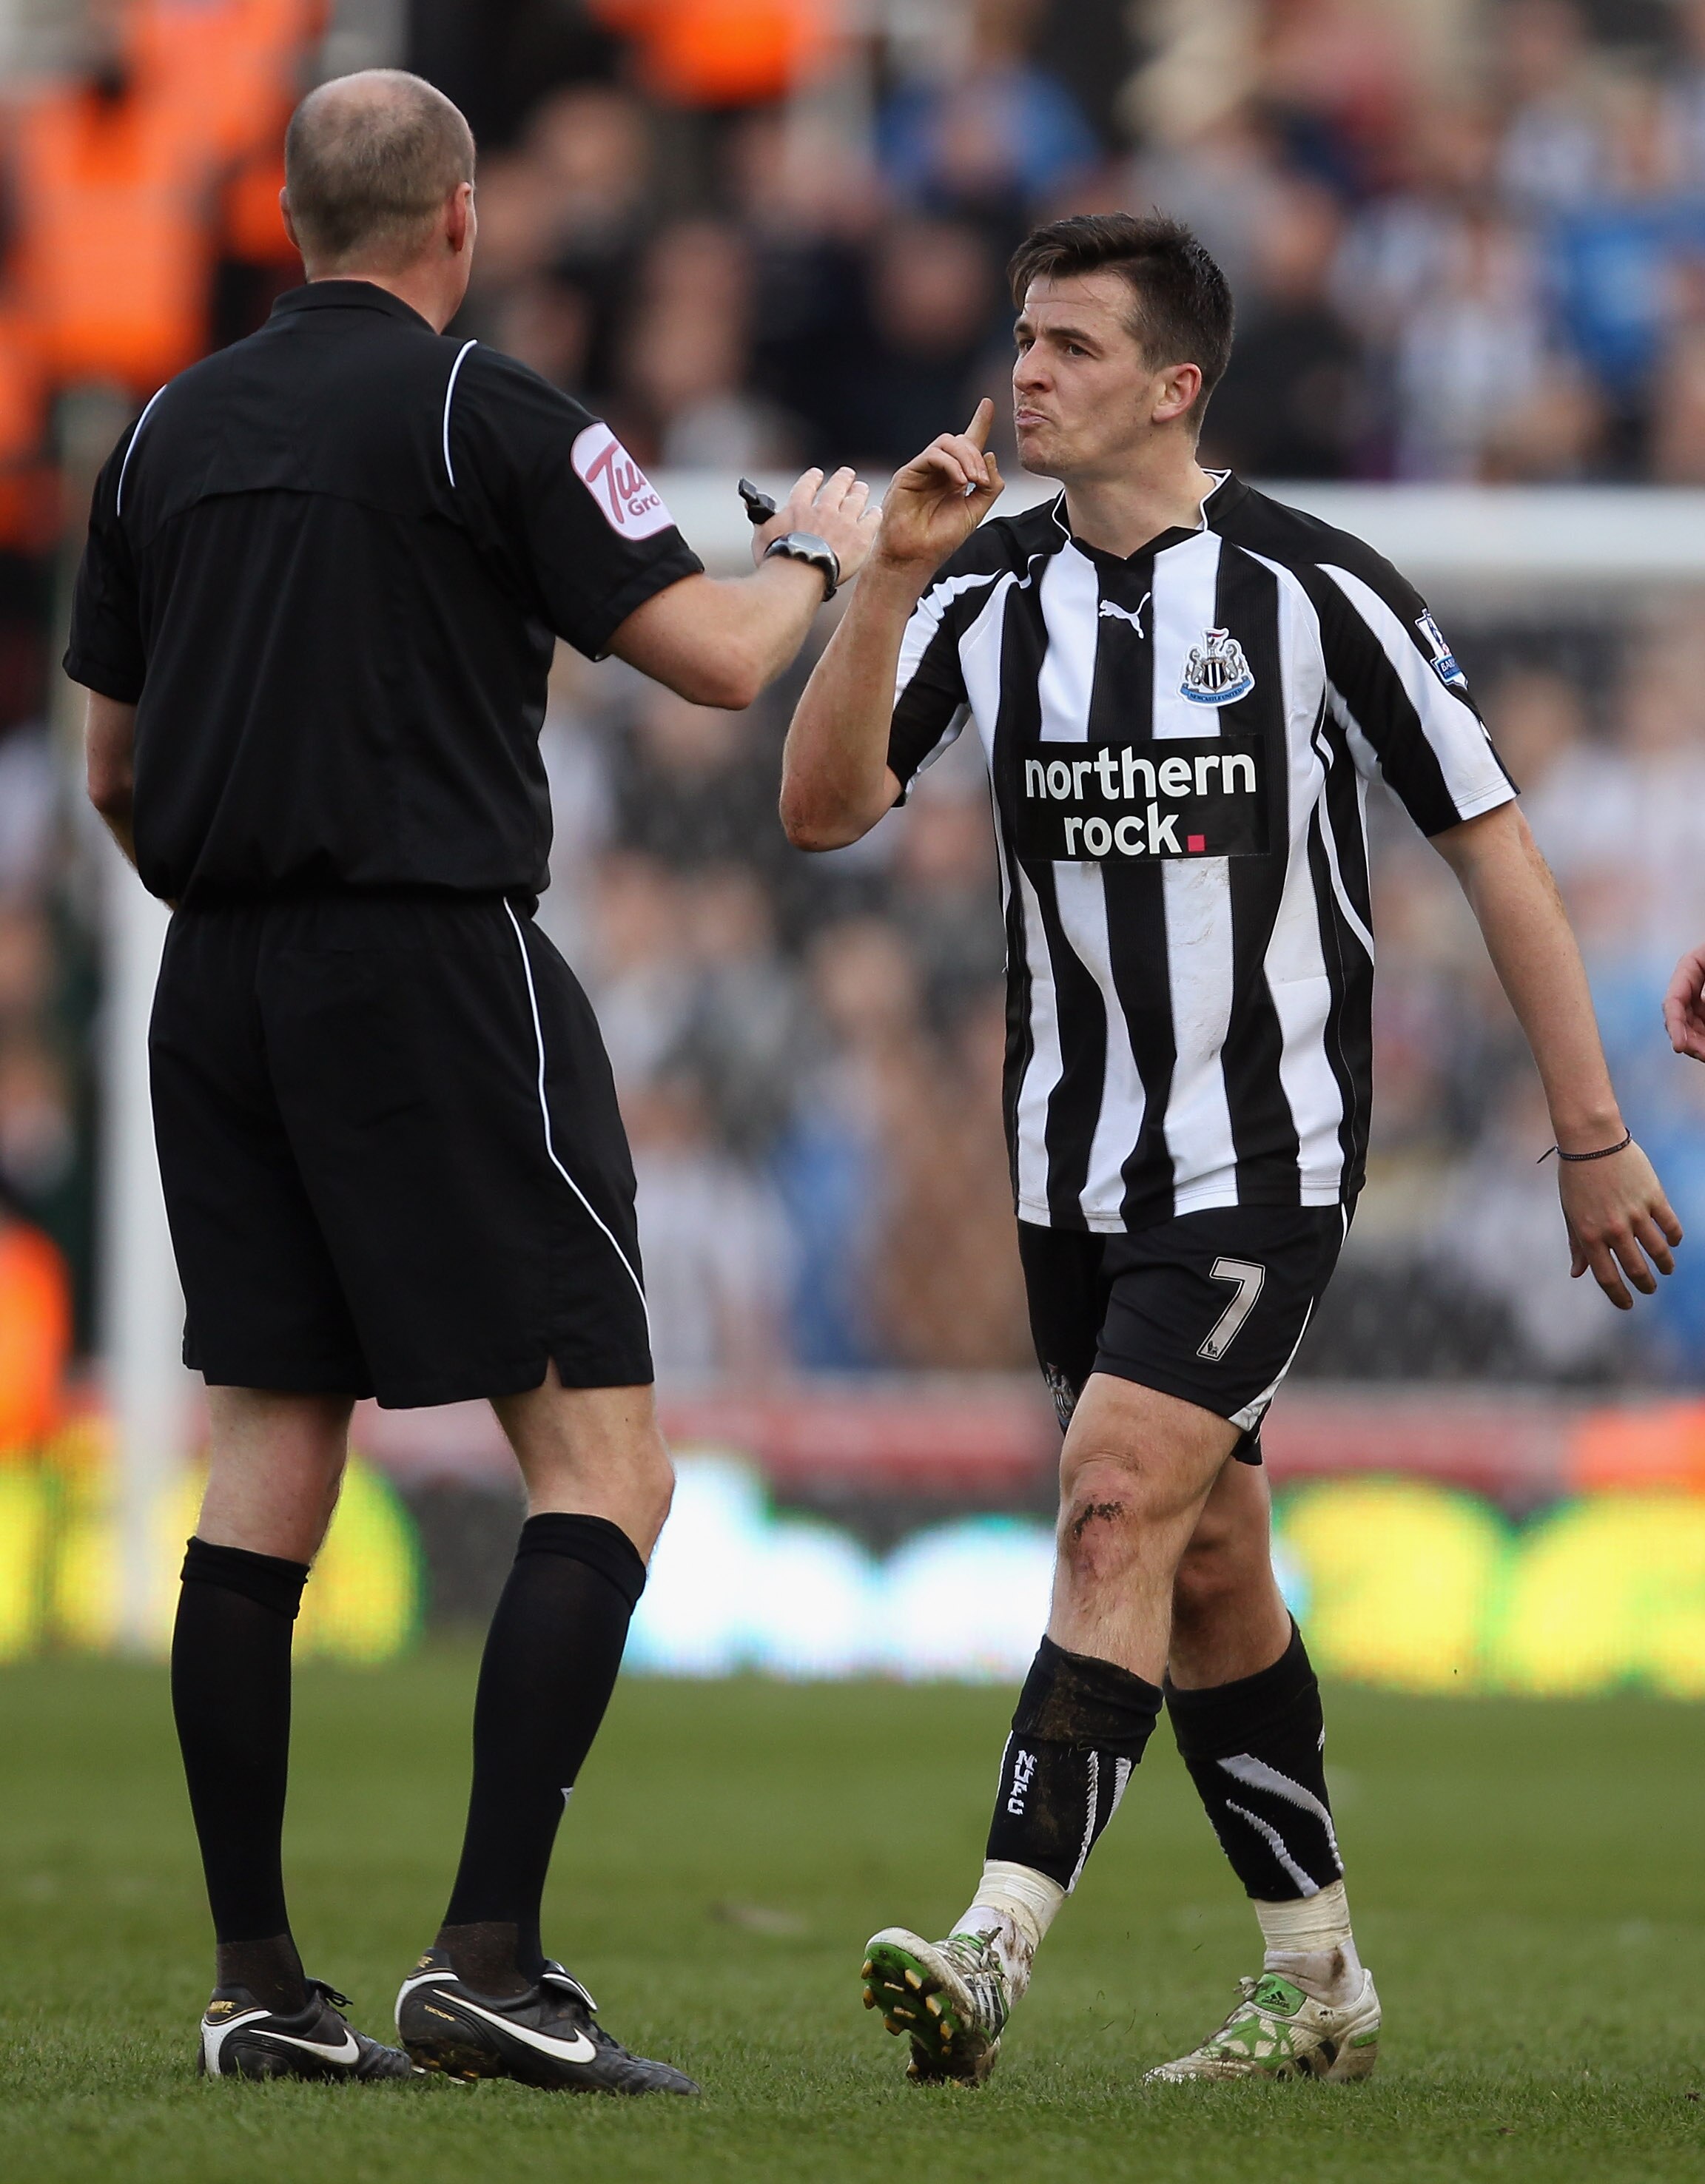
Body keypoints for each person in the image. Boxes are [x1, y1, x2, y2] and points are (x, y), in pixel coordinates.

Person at [780, 211, 1681, 2087]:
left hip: (1264, 1161)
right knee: (1203, 1563)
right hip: (1069, 1173)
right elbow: (822, 811)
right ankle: (1318, 1978)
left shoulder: (1318, 590)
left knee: (1115, 1495)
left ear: (1176, 386)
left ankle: (993, 1939)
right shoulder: (985, 583)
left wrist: (1590, 1132)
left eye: (1075, 349)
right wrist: (876, 584)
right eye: (1023, 341)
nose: (1027, 373)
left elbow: (1493, 844)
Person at [65, 68, 877, 2092]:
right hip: (431, 964)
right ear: (459, 217)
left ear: (284, 218)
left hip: (216, 978)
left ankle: (261, 1984)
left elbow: (108, 767)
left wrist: (234, 885)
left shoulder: (162, 426)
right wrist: (838, 560)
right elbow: (705, 656)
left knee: (269, 1455)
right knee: (606, 1465)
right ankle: (489, 1960)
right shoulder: (480, 405)